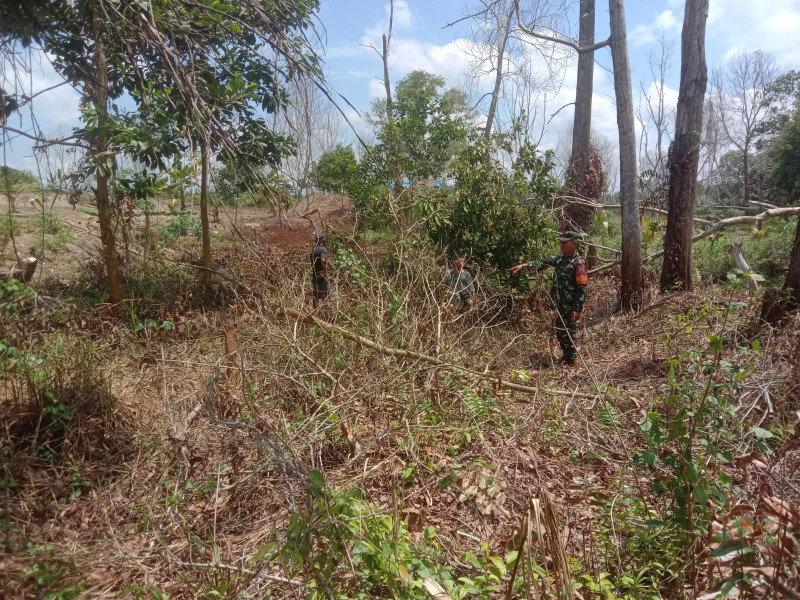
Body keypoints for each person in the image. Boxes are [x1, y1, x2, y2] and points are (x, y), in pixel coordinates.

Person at [508, 231, 588, 365]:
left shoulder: (578, 263)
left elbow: (582, 287)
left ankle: (571, 359)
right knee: (560, 329)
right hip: (559, 303)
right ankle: (566, 355)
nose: (562, 244)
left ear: (574, 243)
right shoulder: (561, 258)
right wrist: (525, 265)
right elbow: (545, 261)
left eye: (565, 242)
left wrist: (577, 308)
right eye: (561, 242)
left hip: (570, 304)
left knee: (569, 330)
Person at [441, 255, 475, 322]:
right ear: (454, 262)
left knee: (470, 303)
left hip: (462, 298)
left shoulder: (466, 274)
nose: (461, 263)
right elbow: (444, 286)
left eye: (463, 261)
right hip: (451, 297)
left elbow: (470, 288)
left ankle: (458, 314)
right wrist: (443, 300)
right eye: (459, 261)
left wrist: (470, 299)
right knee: (449, 307)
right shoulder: (449, 272)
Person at [310, 232, 330, 308]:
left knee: (316, 296)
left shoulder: (314, 249)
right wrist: (324, 270)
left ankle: (315, 313)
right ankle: (326, 314)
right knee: (326, 297)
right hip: (322, 278)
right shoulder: (323, 249)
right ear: (323, 239)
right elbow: (323, 260)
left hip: (315, 277)